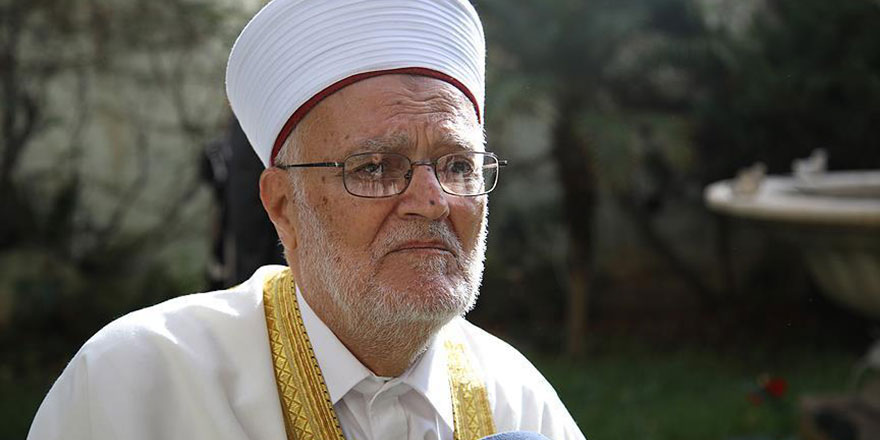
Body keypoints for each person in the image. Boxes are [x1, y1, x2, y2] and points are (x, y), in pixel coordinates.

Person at [28, 1, 587, 439]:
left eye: (458, 165)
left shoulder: (516, 399)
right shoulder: (139, 382)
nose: (433, 201)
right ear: (282, 206)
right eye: (375, 167)